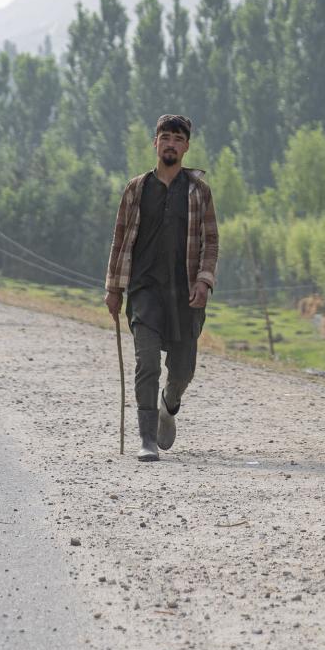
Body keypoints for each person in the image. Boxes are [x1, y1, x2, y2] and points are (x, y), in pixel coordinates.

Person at [104, 116, 218, 461]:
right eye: (164, 137)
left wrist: (203, 280)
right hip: (144, 292)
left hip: (185, 295)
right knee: (147, 361)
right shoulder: (137, 188)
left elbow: (210, 241)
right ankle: (147, 438)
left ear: (186, 147)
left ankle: (169, 403)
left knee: (182, 369)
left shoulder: (199, 192)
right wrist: (113, 288)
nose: (170, 144)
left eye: (177, 139)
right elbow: (120, 237)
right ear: (155, 143)